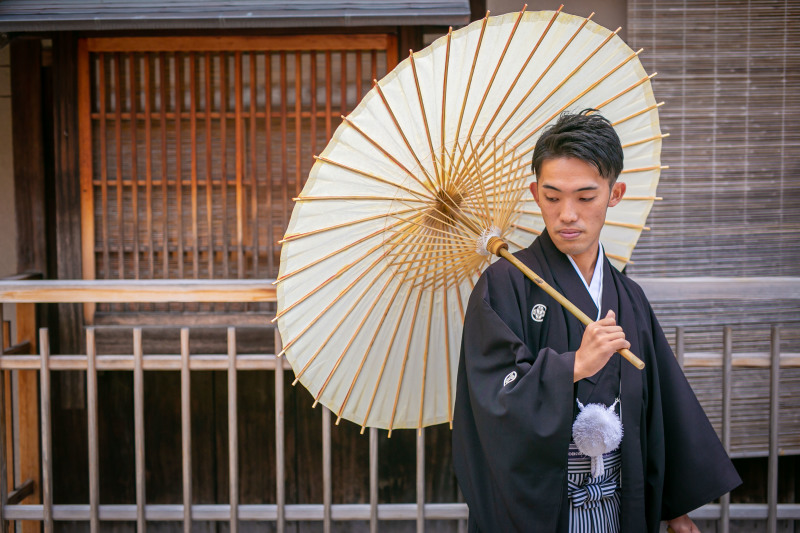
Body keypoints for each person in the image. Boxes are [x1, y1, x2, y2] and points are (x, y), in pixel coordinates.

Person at [452, 110, 741, 533]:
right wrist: (574, 366)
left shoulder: (629, 297)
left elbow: (661, 405)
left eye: (585, 197)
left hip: (619, 500)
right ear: (535, 193)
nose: (567, 214)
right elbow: (491, 399)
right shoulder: (503, 285)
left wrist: (675, 510)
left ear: (615, 193)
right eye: (552, 197)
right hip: (544, 508)